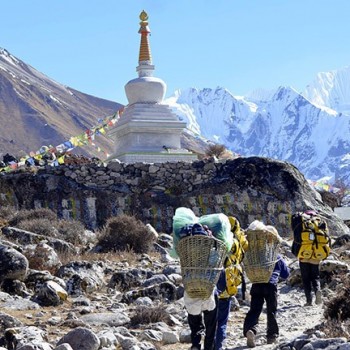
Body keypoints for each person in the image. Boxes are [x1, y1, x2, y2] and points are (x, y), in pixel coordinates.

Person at [215, 216, 248, 350]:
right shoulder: (235, 243)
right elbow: (243, 251)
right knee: (222, 320)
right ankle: (219, 345)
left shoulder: (214, 241)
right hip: (227, 288)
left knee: (210, 321)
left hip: (209, 288)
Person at [243, 255, 290, 348]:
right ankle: (272, 336)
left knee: (254, 310)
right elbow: (286, 274)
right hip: (271, 285)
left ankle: (251, 330)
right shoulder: (276, 256)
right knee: (271, 311)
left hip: (256, 284)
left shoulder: (255, 255)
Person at [185, 269, 226, 350]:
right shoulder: (214, 261)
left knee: (194, 324)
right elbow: (221, 282)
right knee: (211, 326)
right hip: (209, 297)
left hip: (191, 294)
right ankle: (208, 347)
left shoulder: (188, 260)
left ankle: (196, 344)